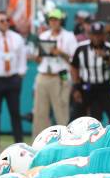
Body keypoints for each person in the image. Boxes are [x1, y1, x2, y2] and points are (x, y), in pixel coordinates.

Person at [0, 11, 27, 149]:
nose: (5, 23)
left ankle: (19, 141)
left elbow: (22, 56)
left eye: (6, 20)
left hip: (12, 78)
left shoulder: (17, 38)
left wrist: (21, 73)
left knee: (15, 111)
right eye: (1, 20)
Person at [31, 8, 77, 136]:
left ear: (61, 21)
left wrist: (60, 53)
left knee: (61, 110)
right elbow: (38, 59)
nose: (53, 22)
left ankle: (66, 140)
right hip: (43, 75)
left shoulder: (69, 36)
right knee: (40, 111)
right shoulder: (43, 36)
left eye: (56, 20)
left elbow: (74, 59)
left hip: (60, 76)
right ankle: (39, 140)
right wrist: (38, 56)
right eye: (51, 19)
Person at [71, 22, 110, 123]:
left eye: (99, 34)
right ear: (90, 35)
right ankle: (71, 137)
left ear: (104, 35)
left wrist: (105, 56)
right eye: (94, 34)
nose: (97, 37)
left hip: (104, 87)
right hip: (86, 86)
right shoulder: (81, 48)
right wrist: (76, 87)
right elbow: (74, 67)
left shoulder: (109, 48)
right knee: (76, 115)